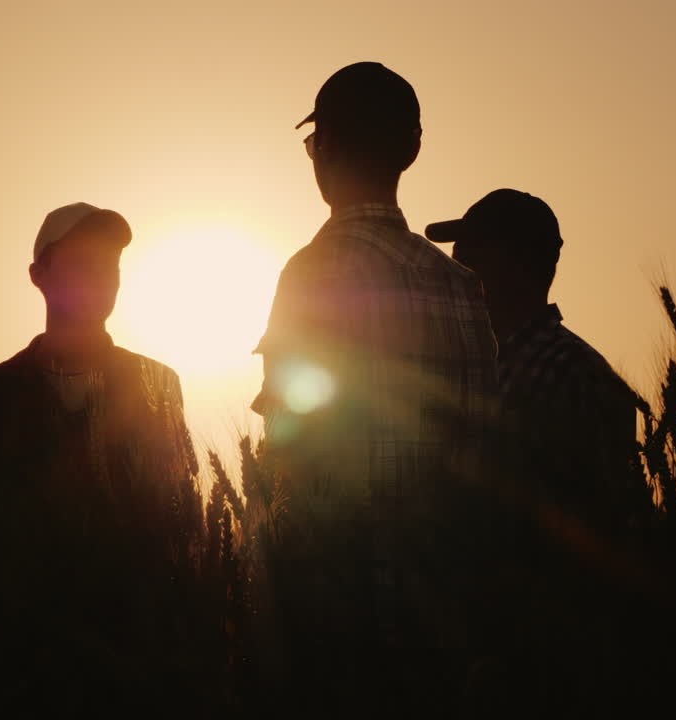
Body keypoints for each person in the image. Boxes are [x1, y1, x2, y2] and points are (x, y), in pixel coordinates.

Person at [250, 62, 499, 712]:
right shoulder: (464, 288)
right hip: (446, 626)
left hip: (345, 630)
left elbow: (291, 454)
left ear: (323, 145)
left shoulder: (313, 274)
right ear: (412, 150)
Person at [0, 203, 202, 712]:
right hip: (27, 671)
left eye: (110, 266)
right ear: (38, 275)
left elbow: (184, 516)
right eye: (83, 263)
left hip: (139, 662)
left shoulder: (158, 384)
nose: (102, 279)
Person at [427, 189, 647, 715]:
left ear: (506, 263)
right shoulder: (490, 367)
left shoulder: (565, 372)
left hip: (538, 665)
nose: (457, 266)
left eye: (470, 252)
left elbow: (584, 529)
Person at [426, 189, 643, 522]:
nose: (455, 270)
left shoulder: (573, 373)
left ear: (514, 264)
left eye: (467, 256)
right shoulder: (482, 364)